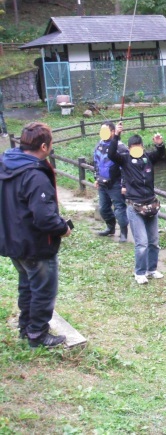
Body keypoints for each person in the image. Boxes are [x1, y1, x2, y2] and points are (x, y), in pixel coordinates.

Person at [0, 122, 72, 347]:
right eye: (50, 144)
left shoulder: (8, 164)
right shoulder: (35, 175)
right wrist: (63, 228)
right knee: (43, 289)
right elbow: (44, 218)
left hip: (14, 241)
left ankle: (26, 327)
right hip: (34, 245)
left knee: (27, 285)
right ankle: (38, 335)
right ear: (43, 146)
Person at [107, 123, 165, 284]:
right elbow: (111, 154)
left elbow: (161, 154)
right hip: (134, 206)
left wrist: (159, 144)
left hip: (151, 205)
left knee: (154, 241)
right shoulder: (124, 159)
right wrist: (116, 135)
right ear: (130, 147)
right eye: (133, 146)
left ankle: (151, 269)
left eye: (138, 146)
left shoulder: (148, 158)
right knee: (142, 243)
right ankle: (139, 273)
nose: (136, 149)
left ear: (142, 146)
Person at [94, 121, 129, 242]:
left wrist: (124, 185)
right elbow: (96, 163)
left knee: (119, 209)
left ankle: (124, 233)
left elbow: (126, 167)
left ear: (113, 132)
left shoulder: (121, 147)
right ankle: (110, 227)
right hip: (103, 183)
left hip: (116, 183)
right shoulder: (99, 145)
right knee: (103, 208)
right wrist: (96, 178)